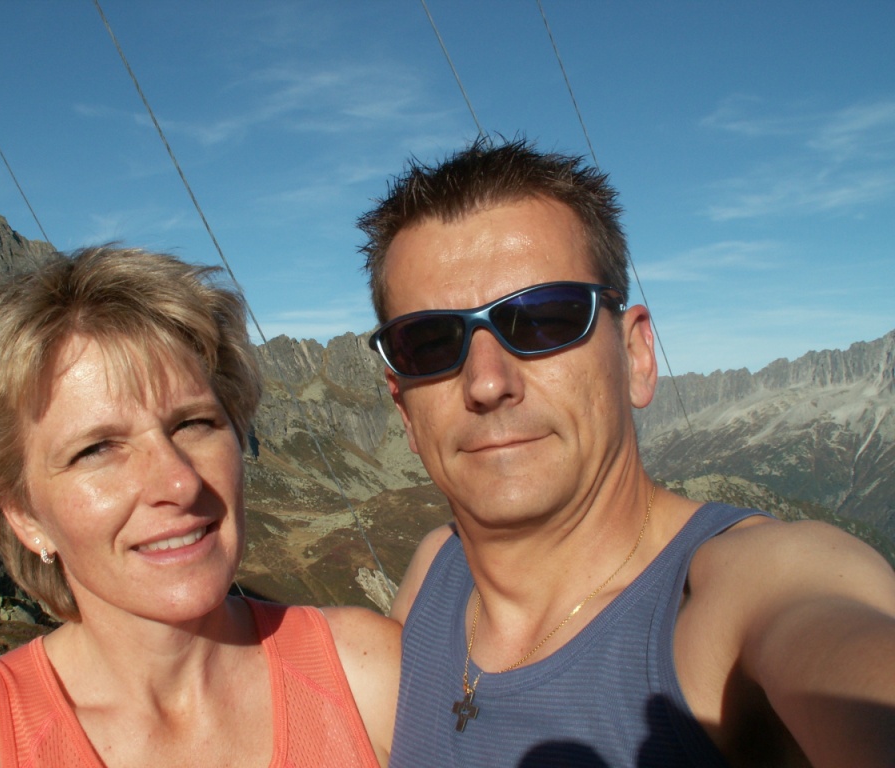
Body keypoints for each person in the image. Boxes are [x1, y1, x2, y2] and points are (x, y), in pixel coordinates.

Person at [358, 137, 895, 767]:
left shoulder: (742, 592)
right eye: (428, 342)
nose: (486, 382)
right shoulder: (435, 571)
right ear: (404, 409)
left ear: (637, 356)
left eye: (544, 318)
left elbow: (841, 641)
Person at [0, 245, 399, 767]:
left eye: (193, 423)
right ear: (24, 516)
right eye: (96, 449)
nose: (178, 481)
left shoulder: (373, 674)